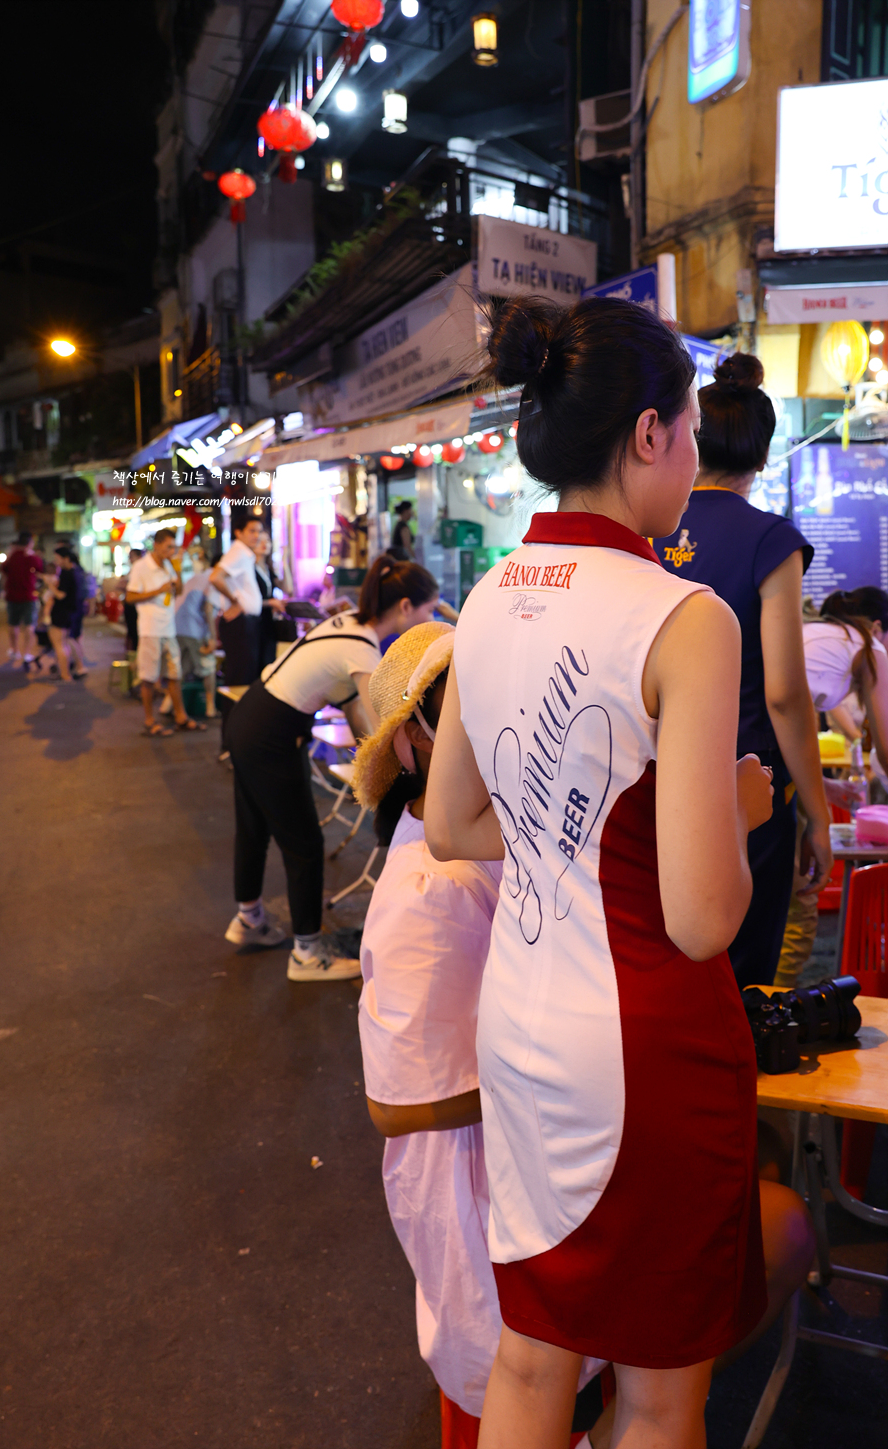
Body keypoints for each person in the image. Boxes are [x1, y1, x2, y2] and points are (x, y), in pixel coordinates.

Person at [424, 295, 774, 1449]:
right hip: (645, 1042)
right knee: (661, 1382)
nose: (689, 452)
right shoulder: (685, 618)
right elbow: (703, 917)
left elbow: (452, 823)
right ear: (647, 435)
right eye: (682, 425)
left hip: (522, 1026)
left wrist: (567, 840)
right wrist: (735, 809)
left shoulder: (487, 596)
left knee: (535, 1355)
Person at [355, 622, 607, 1446]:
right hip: (485, 1201)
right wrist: (565, 1073)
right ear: (412, 742)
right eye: (460, 705)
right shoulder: (427, 887)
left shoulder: (499, 833)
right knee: (521, 1393)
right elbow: (399, 1104)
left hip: (539, 1176)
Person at [654, 353, 832, 989]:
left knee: (664, 965)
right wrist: (817, 812)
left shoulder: (647, 531)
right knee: (739, 977)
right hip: (744, 792)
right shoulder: (770, 538)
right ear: (762, 456)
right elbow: (784, 693)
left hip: (648, 783)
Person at [225, 554, 440, 982]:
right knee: (303, 843)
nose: (429, 619)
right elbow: (384, 718)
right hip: (272, 734)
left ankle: (248, 919)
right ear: (403, 608)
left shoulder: (347, 624)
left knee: (253, 827)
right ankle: (307, 953)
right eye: (428, 610)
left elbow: (357, 713)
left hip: (249, 717)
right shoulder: (362, 649)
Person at [775, 585, 888, 988]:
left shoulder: (819, 635)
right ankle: (767, 1010)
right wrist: (819, 814)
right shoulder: (871, 649)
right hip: (771, 780)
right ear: (878, 629)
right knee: (800, 900)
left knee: (771, 903)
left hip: (751, 766)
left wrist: (823, 791)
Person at [125, 528, 206, 736]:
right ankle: (149, 720)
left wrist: (177, 572)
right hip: (150, 629)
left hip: (169, 628)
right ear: (157, 544)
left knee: (174, 674)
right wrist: (157, 591)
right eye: (169, 546)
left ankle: (181, 716)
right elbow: (131, 597)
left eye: (174, 547)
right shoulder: (142, 567)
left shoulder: (169, 564)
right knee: (149, 677)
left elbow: (177, 592)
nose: (172, 550)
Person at [208, 515, 268, 687]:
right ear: (238, 532)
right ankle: (234, 714)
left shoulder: (244, 553)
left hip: (245, 623)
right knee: (240, 676)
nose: (256, 536)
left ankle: (237, 713)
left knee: (244, 674)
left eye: (259, 531)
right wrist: (234, 601)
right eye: (252, 531)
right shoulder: (239, 552)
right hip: (240, 623)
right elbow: (216, 577)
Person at [173, 549, 219, 720]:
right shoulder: (214, 579)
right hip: (194, 629)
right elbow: (208, 609)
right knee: (208, 667)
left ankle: (167, 704)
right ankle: (210, 708)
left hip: (177, 626)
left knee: (182, 668)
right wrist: (213, 638)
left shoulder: (197, 577)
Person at [0, 531, 44, 666]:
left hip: (12, 595)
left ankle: (14, 650)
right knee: (29, 625)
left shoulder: (12, 556)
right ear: (30, 543)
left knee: (13, 624)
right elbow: (40, 569)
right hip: (28, 595)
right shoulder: (32, 557)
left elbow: (3, 570)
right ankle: (27, 653)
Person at [252, 524, 288, 672]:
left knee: (269, 663)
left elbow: (288, 588)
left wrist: (285, 562)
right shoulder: (249, 567)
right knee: (257, 663)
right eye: (260, 540)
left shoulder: (267, 568)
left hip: (268, 623)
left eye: (267, 540)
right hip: (255, 622)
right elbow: (246, 600)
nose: (264, 544)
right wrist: (270, 602)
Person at [44, 545, 79, 684]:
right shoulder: (74, 571)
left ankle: (65, 674)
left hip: (61, 613)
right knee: (63, 644)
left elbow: (60, 595)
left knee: (59, 645)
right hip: (69, 612)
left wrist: (50, 585)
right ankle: (65, 672)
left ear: (66, 559)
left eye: (57, 558)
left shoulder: (66, 573)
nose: (55, 561)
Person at [123, 548, 144, 655]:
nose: (130, 559)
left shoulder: (140, 567)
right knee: (132, 632)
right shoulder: (135, 568)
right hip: (131, 605)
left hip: (136, 605)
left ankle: (135, 655)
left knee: (135, 633)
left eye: (131, 556)